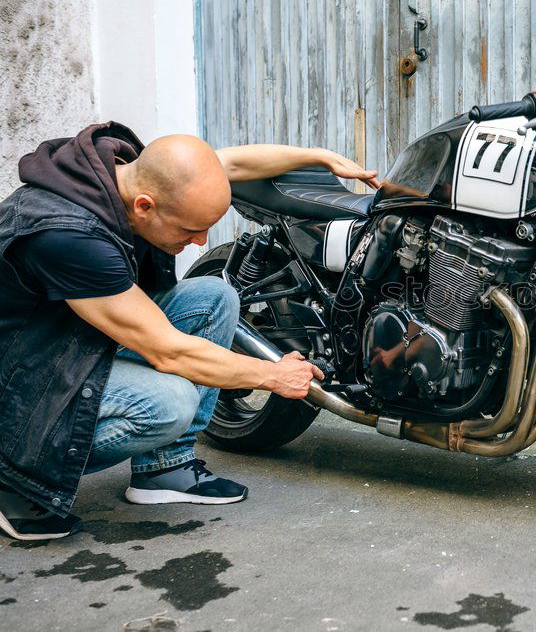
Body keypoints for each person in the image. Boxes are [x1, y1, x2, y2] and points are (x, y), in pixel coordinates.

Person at [0, 122, 379, 541]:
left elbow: (230, 162)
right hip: (19, 380)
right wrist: (271, 375)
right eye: (187, 229)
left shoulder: (125, 172)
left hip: (65, 340)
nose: (200, 242)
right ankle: (18, 478)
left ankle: (164, 470)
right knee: (167, 404)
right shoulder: (69, 235)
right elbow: (170, 353)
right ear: (145, 205)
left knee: (213, 297)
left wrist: (318, 156)